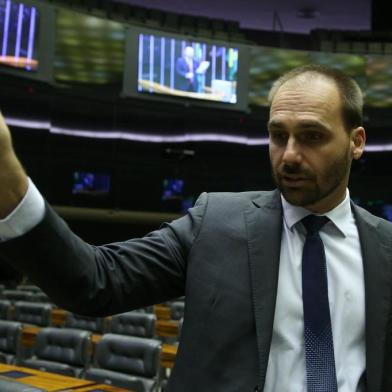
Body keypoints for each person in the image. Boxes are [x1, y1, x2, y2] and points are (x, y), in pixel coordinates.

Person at [0, 64, 391, 392]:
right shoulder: (215, 221)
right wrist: (8, 182)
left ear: (356, 142)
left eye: (312, 136)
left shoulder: (386, 248)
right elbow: (97, 281)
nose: (289, 155)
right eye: (278, 136)